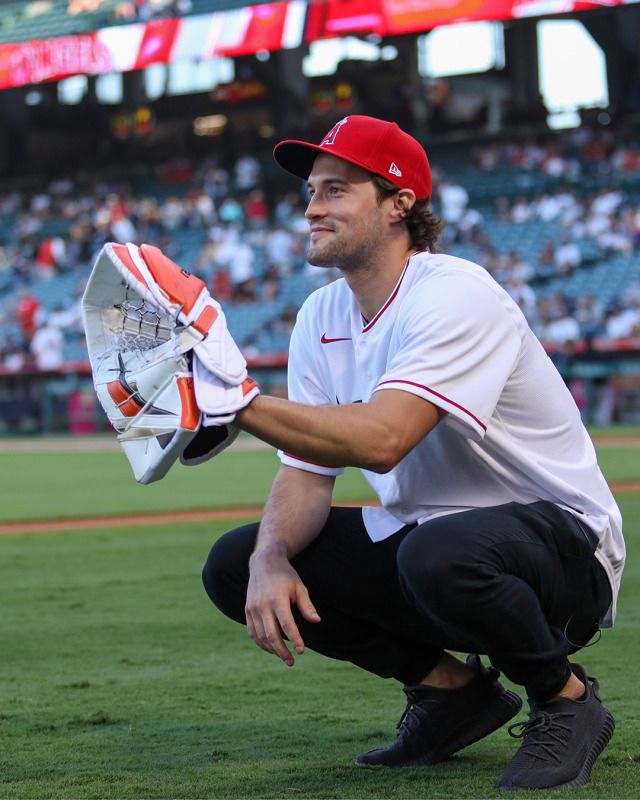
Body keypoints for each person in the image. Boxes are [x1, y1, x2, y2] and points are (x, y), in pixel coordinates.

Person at [201, 115, 625, 791]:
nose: (312, 207)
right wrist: (270, 557)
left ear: (400, 203)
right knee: (235, 562)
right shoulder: (320, 316)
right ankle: (452, 692)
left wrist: (235, 404)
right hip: (434, 545)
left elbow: (383, 440)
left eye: (336, 190)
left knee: (440, 552)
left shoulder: (454, 291)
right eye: (311, 191)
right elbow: (308, 474)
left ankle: (565, 699)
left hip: (563, 551)